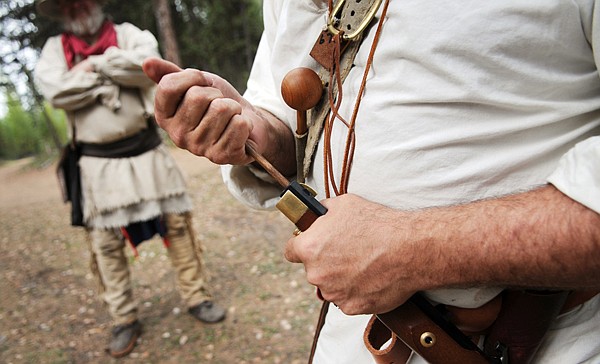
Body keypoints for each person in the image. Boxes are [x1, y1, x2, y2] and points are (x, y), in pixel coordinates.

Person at [143, 0, 600, 363]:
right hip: (357, 335)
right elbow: (289, 121)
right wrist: (254, 130)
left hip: (555, 345)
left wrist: (410, 251)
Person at [33, 0, 226, 358]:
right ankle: (124, 318)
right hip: (97, 163)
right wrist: (114, 71)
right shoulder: (53, 51)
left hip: (146, 150)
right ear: (60, 11)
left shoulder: (128, 34)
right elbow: (57, 91)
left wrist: (93, 65)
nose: (77, 8)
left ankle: (197, 296)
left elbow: (146, 68)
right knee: (106, 246)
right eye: (68, 3)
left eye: (83, 0)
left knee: (179, 227)